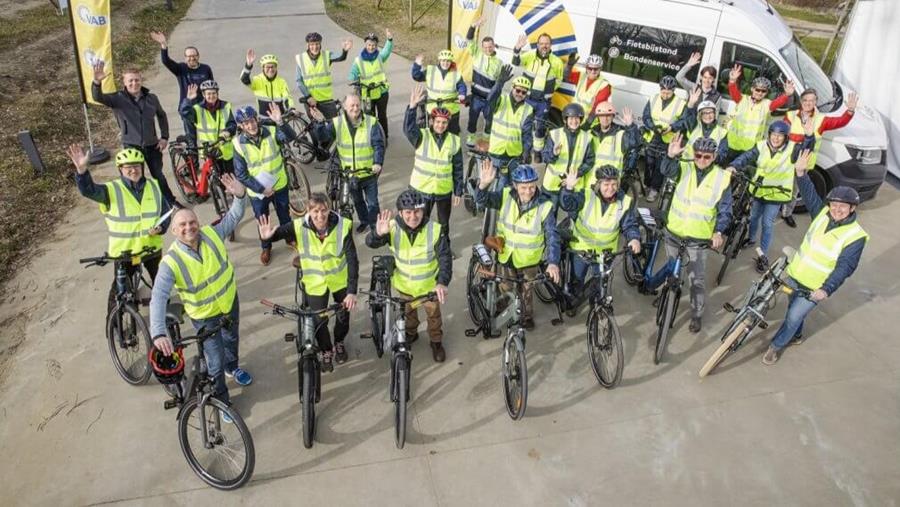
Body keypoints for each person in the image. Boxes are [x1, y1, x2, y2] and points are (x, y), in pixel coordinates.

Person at [149, 174, 252, 413]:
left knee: (232, 340)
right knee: (214, 362)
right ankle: (223, 401)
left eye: (192, 222)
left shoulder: (212, 234)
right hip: (204, 317)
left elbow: (235, 215)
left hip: (228, 304)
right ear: (173, 231)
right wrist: (158, 333)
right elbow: (158, 299)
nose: (189, 228)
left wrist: (239, 195)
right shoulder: (170, 262)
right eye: (182, 225)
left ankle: (233, 367)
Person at [762, 162, 868, 365]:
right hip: (795, 274)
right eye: (834, 205)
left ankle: (775, 347)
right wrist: (801, 174)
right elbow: (810, 194)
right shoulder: (821, 214)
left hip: (815, 287)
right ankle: (797, 335)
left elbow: (845, 267)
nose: (837, 210)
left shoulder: (856, 236)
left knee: (793, 316)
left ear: (852, 208)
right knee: (791, 307)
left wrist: (826, 289)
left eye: (842, 206)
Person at [257, 194, 359, 371]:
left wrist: (351, 291)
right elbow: (277, 234)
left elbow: (352, 260)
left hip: (339, 280)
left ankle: (340, 342)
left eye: (323, 211)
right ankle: (327, 350)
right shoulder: (298, 226)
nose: (320, 216)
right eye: (315, 211)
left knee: (343, 316)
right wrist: (266, 238)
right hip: (315, 282)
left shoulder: (343, 226)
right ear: (309, 211)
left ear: (329, 209)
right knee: (319, 320)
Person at [69, 145, 170, 316]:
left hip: (150, 248)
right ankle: (114, 323)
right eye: (128, 167)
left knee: (162, 284)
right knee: (119, 290)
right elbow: (89, 190)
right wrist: (82, 170)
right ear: (120, 169)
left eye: (137, 166)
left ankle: (163, 315)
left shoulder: (154, 186)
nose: (133, 170)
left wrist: (161, 228)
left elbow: (165, 213)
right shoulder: (111, 190)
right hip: (125, 251)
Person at [648, 135, 732, 333]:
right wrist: (670, 156)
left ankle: (696, 314)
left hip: (698, 239)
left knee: (696, 280)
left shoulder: (722, 178)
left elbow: (726, 210)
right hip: (674, 232)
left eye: (707, 157)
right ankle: (665, 295)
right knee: (671, 270)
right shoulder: (684, 168)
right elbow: (667, 170)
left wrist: (718, 232)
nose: (702, 160)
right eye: (698, 155)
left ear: (714, 157)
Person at [366, 190, 452, 362]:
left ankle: (436, 341)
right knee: (408, 315)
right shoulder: (391, 227)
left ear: (424, 211)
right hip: (404, 285)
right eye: (408, 212)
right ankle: (412, 334)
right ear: (400, 213)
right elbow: (370, 243)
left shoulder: (434, 229)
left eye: (417, 211)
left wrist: (442, 282)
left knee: (434, 317)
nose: (413, 216)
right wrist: (378, 234)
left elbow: (445, 258)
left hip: (429, 287)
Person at [475, 162, 561, 329]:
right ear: (515, 185)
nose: (528, 191)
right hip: (506, 254)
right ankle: (503, 308)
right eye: (523, 187)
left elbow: (552, 236)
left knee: (526, 290)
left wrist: (552, 262)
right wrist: (483, 185)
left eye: (531, 187)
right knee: (505, 286)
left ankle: (526, 316)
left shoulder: (545, 206)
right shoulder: (505, 195)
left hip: (529, 259)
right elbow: (482, 200)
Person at [728, 121, 814, 272]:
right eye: (773, 135)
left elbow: (806, 149)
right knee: (753, 217)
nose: (776, 138)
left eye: (780, 136)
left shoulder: (793, 149)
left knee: (767, 223)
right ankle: (751, 239)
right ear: (769, 135)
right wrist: (734, 165)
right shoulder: (761, 145)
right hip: (758, 190)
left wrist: (809, 136)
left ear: (785, 138)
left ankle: (763, 255)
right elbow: (746, 157)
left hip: (776, 194)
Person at [91, 62, 177, 206]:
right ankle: (141, 205)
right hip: (131, 147)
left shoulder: (151, 98)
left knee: (158, 176)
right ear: (124, 82)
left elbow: (161, 115)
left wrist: (164, 137)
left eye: (137, 79)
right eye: (130, 80)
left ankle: (170, 202)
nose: (134, 83)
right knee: (135, 178)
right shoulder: (117, 98)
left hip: (152, 145)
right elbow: (97, 97)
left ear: (141, 80)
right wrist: (97, 82)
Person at [559, 165, 640, 303]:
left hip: (605, 253)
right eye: (606, 184)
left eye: (614, 184)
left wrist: (634, 238)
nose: (611, 188)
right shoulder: (586, 195)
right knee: (576, 281)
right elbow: (567, 205)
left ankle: (596, 310)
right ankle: (572, 302)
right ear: (598, 184)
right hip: (581, 249)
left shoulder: (624, 202)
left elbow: (630, 224)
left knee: (600, 285)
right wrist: (568, 189)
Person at [780, 88, 859, 228]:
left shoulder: (821, 119)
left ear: (815, 102)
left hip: (802, 165)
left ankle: (786, 214)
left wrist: (850, 111)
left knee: (793, 192)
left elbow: (840, 121)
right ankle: (771, 209)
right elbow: (780, 134)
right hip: (783, 162)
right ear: (801, 101)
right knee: (776, 186)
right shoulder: (791, 116)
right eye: (805, 100)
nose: (808, 103)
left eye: (811, 100)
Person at [232, 104, 297, 265]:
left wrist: (281, 122)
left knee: (284, 214)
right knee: (263, 220)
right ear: (241, 126)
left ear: (257, 120)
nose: (251, 125)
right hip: (258, 192)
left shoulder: (272, 131)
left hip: (279, 184)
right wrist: (261, 189)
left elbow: (291, 137)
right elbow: (241, 174)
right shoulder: (238, 144)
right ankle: (266, 246)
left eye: (252, 121)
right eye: (246, 123)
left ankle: (289, 238)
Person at [311, 94, 386, 234]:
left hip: (369, 172)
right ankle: (364, 221)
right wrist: (320, 123)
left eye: (357, 105)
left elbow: (378, 145)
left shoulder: (371, 122)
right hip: (350, 174)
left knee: (373, 203)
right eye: (352, 105)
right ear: (345, 107)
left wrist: (377, 162)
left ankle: (375, 227)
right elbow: (323, 138)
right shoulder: (337, 123)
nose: (355, 108)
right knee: (358, 202)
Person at [404, 84, 463, 240]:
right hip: (420, 189)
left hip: (443, 191)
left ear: (448, 124)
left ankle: (444, 248)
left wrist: (458, 190)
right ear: (432, 121)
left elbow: (458, 168)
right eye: (437, 122)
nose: (440, 125)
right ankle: (421, 247)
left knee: (443, 223)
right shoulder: (421, 136)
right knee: (421, 221)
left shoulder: (454, 141)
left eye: (444, 123)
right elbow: (408, 129)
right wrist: (412, 107)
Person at [725, 64, 793, 162]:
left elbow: (778, 102)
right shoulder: (742, 99)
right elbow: (733, 91)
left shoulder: (766, 104)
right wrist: (732, 81)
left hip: (750, 148)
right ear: (752, 89)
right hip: (733, 144)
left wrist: (787, 94)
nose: (760, 93)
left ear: (766, 93)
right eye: (757, 89)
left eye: (763, 91)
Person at [512, 33, 565, 161]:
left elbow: (559, 79)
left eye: (546, 43)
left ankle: (537, 152)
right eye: (541, 43)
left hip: (543, 102)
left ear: (550, 45)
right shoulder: (530, 55)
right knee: (525, 126)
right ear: (538, 44)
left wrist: (549, 91)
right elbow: (516, 62)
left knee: (540, 128)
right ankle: (524, 151)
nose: (544, 46)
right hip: (528, 99)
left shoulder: (556, 62)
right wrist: (517, 49)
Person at [150, 31, 214, 134]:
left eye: (194, 55)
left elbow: (212, 87)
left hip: (204, 107)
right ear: (185, 58)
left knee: (208, 135)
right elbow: (166, 61)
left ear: (198, 56)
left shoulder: (206, 69)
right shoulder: (181, 68)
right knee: (191, 137)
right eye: (188, 56)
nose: (191, 58)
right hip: (187, 108)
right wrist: (163, 44)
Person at [642, 75, 689, 202]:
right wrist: (653, 127)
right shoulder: (653, 98)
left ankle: (654, 190)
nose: (665, 95)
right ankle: (647, 184)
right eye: (663, 92)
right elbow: (646, 116)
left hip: (669, 139)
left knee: (659, 166)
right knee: (649, 162)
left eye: (668, 92)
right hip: (653, 136)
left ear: (674, 91)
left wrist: (672, 128)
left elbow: (684, 121)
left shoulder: (680, 103)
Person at [484, 68, 534, 184]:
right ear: (512, 88)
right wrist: (499, 83)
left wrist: (527, 151)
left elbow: (527, 133)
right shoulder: (502, 99)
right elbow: (490, 100)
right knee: (487, 183)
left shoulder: (528, 109)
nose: (520, 94)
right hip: (496, 151)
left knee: (510, 186)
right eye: (518, 90)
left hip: (513, 154)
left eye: (524, 92)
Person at [541, 103, 595, 203]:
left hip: (574, 184)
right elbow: (545, 158)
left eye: (577, 118)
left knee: (574, 216)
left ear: (581, 119)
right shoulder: (554, 134)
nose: (574, 121)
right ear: (565, 120)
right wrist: (554, 154)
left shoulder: (587, 138)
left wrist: (576, 175)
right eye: (571, 118)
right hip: (553, 183)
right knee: (549, 213)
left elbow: (590, 161)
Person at [179, 81, 236, 175]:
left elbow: (232, 124)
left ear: (217, 93)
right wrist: (188, 100)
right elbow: (184, 112)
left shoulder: (225, 106)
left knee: (232, 179)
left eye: (214, 93)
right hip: (209, 151)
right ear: (203, 95)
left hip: (226, 151)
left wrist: (227, 131)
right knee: (216, 180)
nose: (211, 96)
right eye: (208, 94)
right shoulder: (198, 109)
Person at [296, 32, 352, 120]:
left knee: (333, 126)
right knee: (317, 129)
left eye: (317, 44)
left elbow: (340, 57)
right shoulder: (301, 59)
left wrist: (344, 51)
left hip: (327, 100)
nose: (315, 47)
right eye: (312, 44)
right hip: (311, 102)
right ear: (308, 45)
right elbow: (299, 81)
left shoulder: (326, 56)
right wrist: (308, 96)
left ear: (320, 44)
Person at [465, 16, 503, 147]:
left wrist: (497, 99)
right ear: (481, 47)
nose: (488, 49)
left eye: (490, 46)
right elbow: (469, 40)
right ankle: (471, 139)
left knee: (489, 122)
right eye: (485, 47)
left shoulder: (499, 63)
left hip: (489, 100)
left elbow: (498, 83)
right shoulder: (477, 54)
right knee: (472, 120)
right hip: (476, 97)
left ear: (493, 46)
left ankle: (486, 142)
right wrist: (473, 26)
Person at [349, 30, 394, 137]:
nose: (371, 47)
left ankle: (384, 136)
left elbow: (387, 50)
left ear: (376, 45)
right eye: (369, 45)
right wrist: (354, 80)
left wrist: (390, 40)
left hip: (382, 91)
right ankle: (372, 136)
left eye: (373, 45)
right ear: (365, 44)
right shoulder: (358, 60)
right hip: (367, 94)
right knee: (369, 116)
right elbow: (352, 73)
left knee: (382, 115)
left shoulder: (380, 57)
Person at [412, 50, 467, 135]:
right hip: (433, 106)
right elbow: (417, 76)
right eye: (443, 60)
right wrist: (417, 64)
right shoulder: (431, 70)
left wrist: (462, 94)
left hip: (450, 107)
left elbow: (461, 85)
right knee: (432, 131)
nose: (445, 63)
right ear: (439, 61)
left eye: (448, 61)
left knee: (453, 133)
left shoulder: (456, 74)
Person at [584, 102, 640, 184]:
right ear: (598, 117)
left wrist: (630, 126)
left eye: (608, 115)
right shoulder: (591, 133)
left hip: (609, 183)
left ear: (613, 116)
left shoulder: (620, 134)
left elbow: (634, 144)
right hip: (590, 180)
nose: (605, 119)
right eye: (602, 115)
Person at [241, 49, 294, 119]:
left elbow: (287, 98)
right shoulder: (258, 80)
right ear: (263, 68)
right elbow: (244, 79)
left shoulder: (281, 81)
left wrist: (291, 108)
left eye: (273, 67)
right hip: (264, 121)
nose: (271, 69)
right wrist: (248, 65)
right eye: (267, 67)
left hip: (280, 119)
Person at [682, 90, 729, 165]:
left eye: (710, 112)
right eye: (704, 113)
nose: (708, 116)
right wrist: (690, 104)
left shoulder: (723, 132)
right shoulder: (694, 125)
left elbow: (722, 155)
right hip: (687, 165)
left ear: (715, 114)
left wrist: (708, 158)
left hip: (706, 169)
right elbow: (685, 118)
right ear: (700, 115)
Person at [564, 54, 612, 119]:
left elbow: (598, 107)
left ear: (600, 69)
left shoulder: (604, 85)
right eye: (590, 68)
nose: (593, 71)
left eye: (596, 69)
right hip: (574, 116)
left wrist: (588, 123)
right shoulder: (581, 76)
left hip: (588, 120)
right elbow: (566, 76)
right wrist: (569, 66)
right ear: (586, 68)